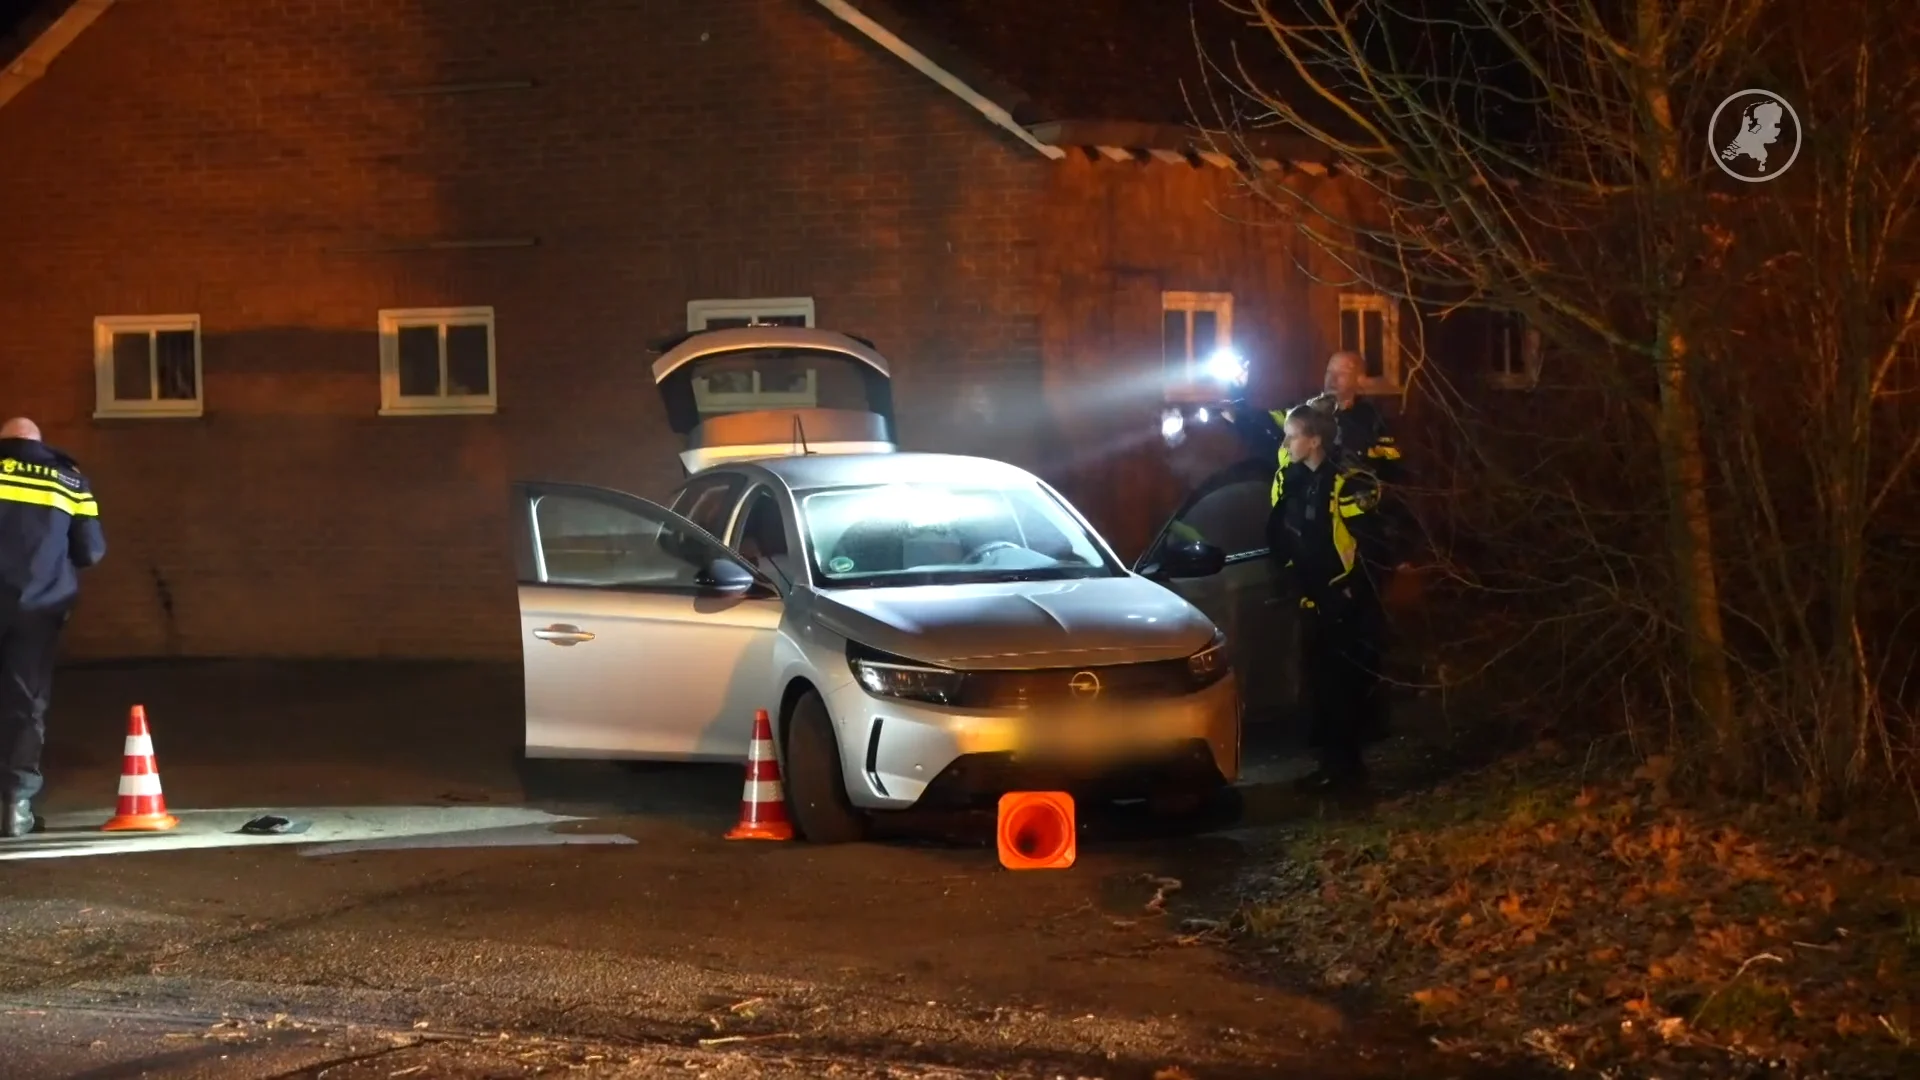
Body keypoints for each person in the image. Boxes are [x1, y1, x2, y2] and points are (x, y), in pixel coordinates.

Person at [1268, 404, 1387, 794]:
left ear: (1314, 440)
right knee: (1320, 686)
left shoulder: (1346, 483)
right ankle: (1331, 765)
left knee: (1342, 686)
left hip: (1342, 600)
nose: (1286, 443)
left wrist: (1351, 589)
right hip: (1313, 598)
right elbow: (1291, 534)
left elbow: (1372, 543)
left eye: (1293, 435)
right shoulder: (1299, 480)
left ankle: (1350, 770)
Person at [0, 417, 106, 838]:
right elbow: (92, 551)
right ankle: (15, 807)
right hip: (37, 608)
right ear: (38, 443)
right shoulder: (69, 480)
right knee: (26, 705)